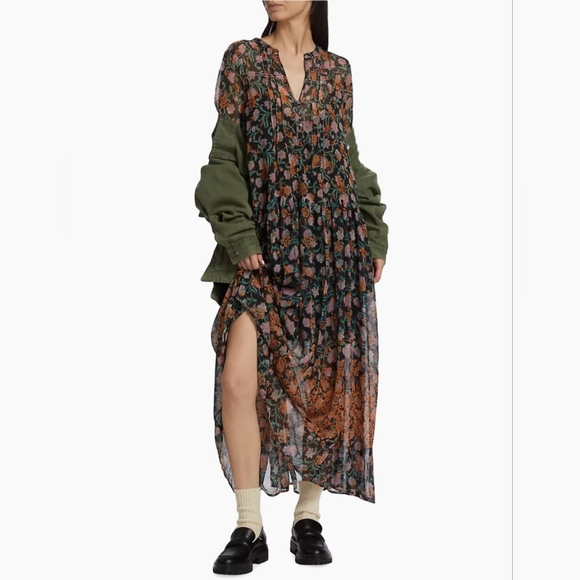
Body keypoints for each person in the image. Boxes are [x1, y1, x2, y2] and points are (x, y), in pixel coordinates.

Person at [194, 1, 389, 574]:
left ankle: (308, 516)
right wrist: (239, 233)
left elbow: (348, 161)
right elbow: (222, 158)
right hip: (263, 251)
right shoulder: (243, 61)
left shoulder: (338, 72)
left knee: (319, 384)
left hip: (332, 249)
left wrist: (373, 233)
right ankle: (248, 524)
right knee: (238, 380)